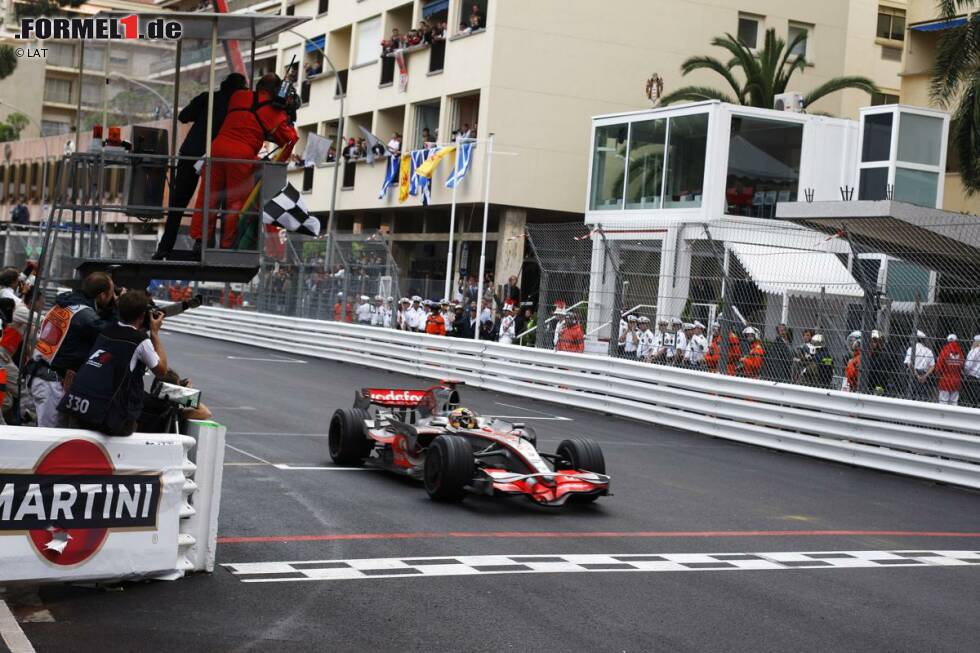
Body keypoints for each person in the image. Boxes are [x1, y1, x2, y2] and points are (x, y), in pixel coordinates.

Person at [190, 73, 298, 252]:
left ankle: (200, 241)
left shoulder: (239, 96)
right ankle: (227, 246)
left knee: (208, 197)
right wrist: (287, 114)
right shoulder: (273, 112)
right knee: (235, 202)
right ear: (277, 91)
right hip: (240, 155)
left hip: (216, 149)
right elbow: (289, 140)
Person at [154, 73, 248, 260]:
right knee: (211, 203)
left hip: (191, 152)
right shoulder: (239, 106)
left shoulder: (207, 98)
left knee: (178, 203)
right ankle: (203, 245)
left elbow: (183, 116)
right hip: (216, 157)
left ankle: (164, 247)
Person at [58, 291, 168, 437]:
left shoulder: (106, 330)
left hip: (79, 406)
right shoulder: (139, 340)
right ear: (143, 316)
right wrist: (154, 333)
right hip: (108, 418)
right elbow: (162, 371)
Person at [28, 272, 116, 428]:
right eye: (112, 293)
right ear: (102, 295)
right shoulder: (85, 316)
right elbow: (109, 335)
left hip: (43, 375)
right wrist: (115, 309)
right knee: (50, 438)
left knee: (54, 436)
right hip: (50, 381)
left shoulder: (66, 304)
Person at [138, 369, 213, 433]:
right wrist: (186, 394)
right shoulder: (171, 412)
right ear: (174, 390)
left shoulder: (139, 400)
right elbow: (206, 413)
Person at [904, 331, 935, 401]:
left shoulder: (911, 349)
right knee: (922, 396)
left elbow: (909, 364)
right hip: (924, 374)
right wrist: (925, 376)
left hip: (913, 374)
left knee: (911, 395)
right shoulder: (928, 351)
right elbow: (932, 366)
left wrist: (917, 376)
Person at [935, 334, 965, 406]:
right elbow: (963, 365)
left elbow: (939, 365)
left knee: (943, 402)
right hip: (956, 379)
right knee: (954, 402)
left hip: (945, 379)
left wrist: (938, 373)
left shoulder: (945, 350)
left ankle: (942, 416)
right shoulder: (960, 351)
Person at [964, 335, 980, 407]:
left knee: (971, 400)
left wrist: (965, 373)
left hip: (973, 376)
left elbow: (968, 365)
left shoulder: (975, 350)